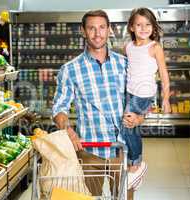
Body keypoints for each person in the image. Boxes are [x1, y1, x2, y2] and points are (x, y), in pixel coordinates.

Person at [52, 9, 143, 200]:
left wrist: (140, 116)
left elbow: (142, 98)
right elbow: (59, 107)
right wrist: (67, 129)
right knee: (88, 198)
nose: (97, 33)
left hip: (123, 150)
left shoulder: (125, 64)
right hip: (89, 151)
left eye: (102, 27)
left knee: (124, 198)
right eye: (91, 28)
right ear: (83, 32)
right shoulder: (70, 70)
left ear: (109, 30)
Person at [122, 8, 171, 190]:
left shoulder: (154, 47)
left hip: (144, 93)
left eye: (148, 24)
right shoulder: (128, 47)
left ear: (153, 27)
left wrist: (165, 99)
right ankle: (132, 163)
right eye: (139, 25)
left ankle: (137, 164)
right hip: (129, 91)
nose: (143, 28)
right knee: (129, 126)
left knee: (129, 124)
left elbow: (164, 73)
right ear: (132, 27)